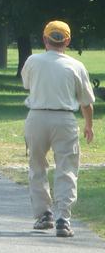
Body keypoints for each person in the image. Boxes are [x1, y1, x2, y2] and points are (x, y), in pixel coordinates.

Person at [21, 20, 95, 238]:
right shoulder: (76, 66)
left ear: (45, 39)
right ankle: (63, 217)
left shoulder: (33, 61)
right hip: (65, 119)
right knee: (67, 168)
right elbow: (86, 102)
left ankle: (44, 214)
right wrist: (88, 125)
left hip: (37, 117)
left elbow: (27, 84)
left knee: (37, 166)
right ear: (68, 40)